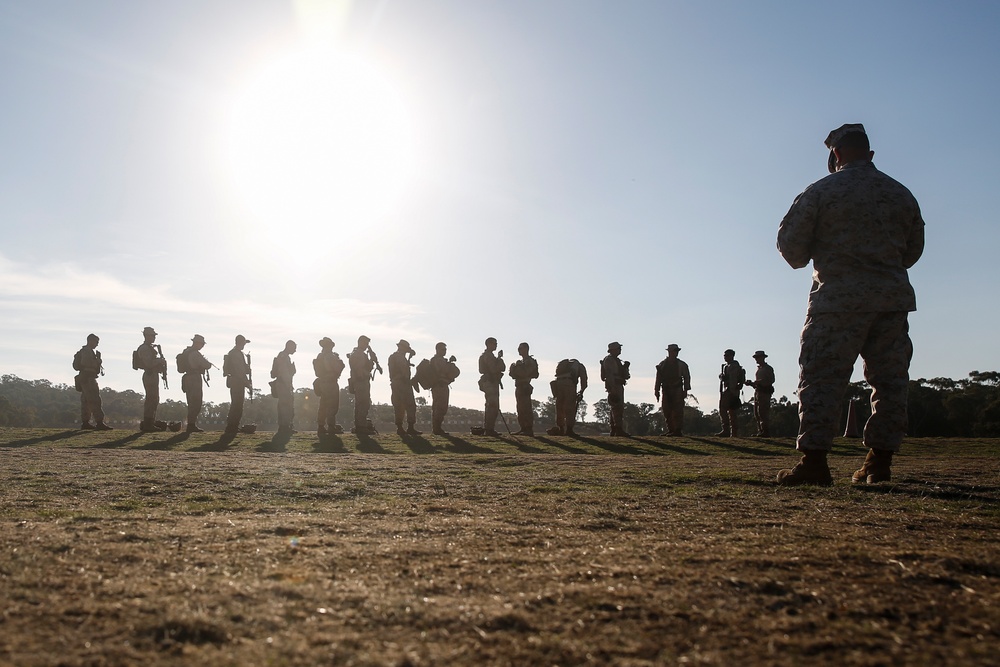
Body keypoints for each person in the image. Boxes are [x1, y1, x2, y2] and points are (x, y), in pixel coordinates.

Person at [776, 123, 924, 486]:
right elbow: (914, 250)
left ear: (836, 154)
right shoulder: (900, 194)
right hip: (890, 300)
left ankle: (814, 463)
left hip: (837, 301)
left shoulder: (822, 191)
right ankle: (879, 463)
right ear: (869, 154)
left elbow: (791, 249)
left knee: (822, 379)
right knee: (889, 381)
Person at [73, 333, 112, 430]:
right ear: (90, 341)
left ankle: (86, 422)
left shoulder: (88, 351)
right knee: (95, 400)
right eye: (96, 342)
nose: (97, 344)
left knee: (86, 401)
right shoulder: (86, 352)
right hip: (88, 378)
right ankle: (99, 422)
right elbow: (86, 363)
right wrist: (97, 361)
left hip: (86, 377)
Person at [134, 326, 167, 431]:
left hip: (153, 374)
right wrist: (160, 361)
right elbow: (148, 364)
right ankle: (148, 424)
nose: (153, 338)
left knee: (154, 399)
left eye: (154, 336)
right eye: (152, 336)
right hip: (149, 374)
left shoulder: (150, 347)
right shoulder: (144, 348)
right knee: (151, 399)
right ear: (146, 336)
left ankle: (150, 422)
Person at [654, 343, 691, 437]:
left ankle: (677, 430)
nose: (676, 353)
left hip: (677, 389)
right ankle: (670, 429)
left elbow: (687, 377)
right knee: (666, 410)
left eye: (676, 351)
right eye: (674, 351)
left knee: (678, 410)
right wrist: (656, 390)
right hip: (666, 390)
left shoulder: (682, 365)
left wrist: (685, 390)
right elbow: (658, 378)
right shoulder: (662, 364)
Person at [349, 335, 381, 434]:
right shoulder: (358, 354)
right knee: (362, 403)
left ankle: (360, 424)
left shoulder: (360, 354)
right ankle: (361, 426)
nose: (367, 346)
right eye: (366, 343)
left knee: (363, 404)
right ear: (360, 342)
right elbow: (359, 369)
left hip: (362, 380)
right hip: (361, 380)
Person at [388, 339, 421, 436]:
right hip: (401, 383)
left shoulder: (398, 357)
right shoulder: (398, 357)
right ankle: (406, 427)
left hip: (398, 382)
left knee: (400, 405)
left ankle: (403, 427)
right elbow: (401, 370)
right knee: (407, 405)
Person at [180, 334, 213, 433]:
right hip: (194, 378)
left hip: (187, 378)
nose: (202, 346)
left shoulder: (186, 352)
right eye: (201, 344)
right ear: (197, 343)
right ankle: (191, 425)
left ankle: (191, 424)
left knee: (191, 402)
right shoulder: (195, 354)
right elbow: (206, 365)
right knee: (196, 402)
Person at [313, 337, 345, 435]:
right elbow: (336, 368)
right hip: (331, 381)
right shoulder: (330, 356)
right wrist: (340, 363)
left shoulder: (320, 356)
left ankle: (321, 426)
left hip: (322, 382)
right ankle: (331, 426)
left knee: (323, 404)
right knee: (332, 405)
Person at [548, 359, 588, 436]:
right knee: (570, 407)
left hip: (558, 384)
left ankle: (561, 429)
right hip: (569, 385)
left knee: (559, 407)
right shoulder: (580, 366)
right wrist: (581, 391)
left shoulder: (564, 366)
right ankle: (569, 430)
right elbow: (584, 379)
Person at [428, 342, 460, 435]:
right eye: (443, 349)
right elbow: (442, 370)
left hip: (443, 385)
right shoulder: (436, 360)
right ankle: (436, 429)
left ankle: (438, 428)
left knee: (442, 407)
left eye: (445, 349)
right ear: (437, 349)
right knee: (439, 407)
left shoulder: (442, 360)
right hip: (439, 385)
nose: (445, 351)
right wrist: (449, 363)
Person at [223, 335, 252, 435]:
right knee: (237, 404)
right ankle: (232, 426)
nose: (244, 345)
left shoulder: (237, 353)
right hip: (237, 380)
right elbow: (239, 371)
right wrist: (247, 383)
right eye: (244, 343)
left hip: (236, 380)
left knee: (237, 404)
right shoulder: (236, 354)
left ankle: (233, 425)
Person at [508, 342, 539, 436]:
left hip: (525, 385)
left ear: (526, 349)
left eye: (521, 348)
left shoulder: (530, 361)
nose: (519, 350)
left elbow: (524, 373)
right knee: (520, 408)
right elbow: (513, 374)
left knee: (526, 408)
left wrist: (516, 368)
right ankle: (523, 428)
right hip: (519, 385)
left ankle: (528, 429)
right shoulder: (521, 362)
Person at [600, 342, 631, 436]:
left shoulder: (616, 360)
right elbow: (610, 375)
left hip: (618, 384)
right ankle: (618, 429)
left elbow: (625, 376)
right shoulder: (609, 360)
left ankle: (615, 429)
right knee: (617, 408)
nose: (620, 350)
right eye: (618, 348)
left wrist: (625, 368)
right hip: (615, 385)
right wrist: (612, 388)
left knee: (615, 408)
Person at [478, 337, 506, 436]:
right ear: (489, 344)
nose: (496, 345)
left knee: (492, 405)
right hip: (490, 382)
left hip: (492, 382)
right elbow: (495, 368)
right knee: (492, 405)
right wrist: (499, 359)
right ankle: (489, 429)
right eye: (494, 343)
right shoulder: (488, 356)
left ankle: (489, 428)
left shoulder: (489, 356)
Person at [745, 350, 775, 437]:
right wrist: (752, 383)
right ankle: (760, 430)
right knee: (757, 413)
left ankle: (765, 431)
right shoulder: (759, 369)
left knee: (763, 413)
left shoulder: (768, 368)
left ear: (763, 358)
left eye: (758, 357)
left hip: (765, 392)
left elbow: (771, 380)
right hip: (758, 392)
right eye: (756, 358)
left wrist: (759, 382)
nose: (756, 359)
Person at [717, 349, 745, 437]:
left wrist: (725, 378)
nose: (725, 357)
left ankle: (731, 431)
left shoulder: (734, 366)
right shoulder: (726, 366)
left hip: (731, 390)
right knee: (727, 411)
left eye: (727, 355)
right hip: (727, 390)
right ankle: (728, 430)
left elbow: (733, 379)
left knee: (730, 411)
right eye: (724, 355)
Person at [270, 340, 297, 435]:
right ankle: (284, 426)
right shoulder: (283, 357)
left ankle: (286, 425)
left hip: (284, 384)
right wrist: (288, 384)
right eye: (294, 348)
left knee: (287, 406)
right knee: (285, 406)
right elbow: (283, 372)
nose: (295, 350)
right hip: (283, 384)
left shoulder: (284, 356)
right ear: (289, 346)